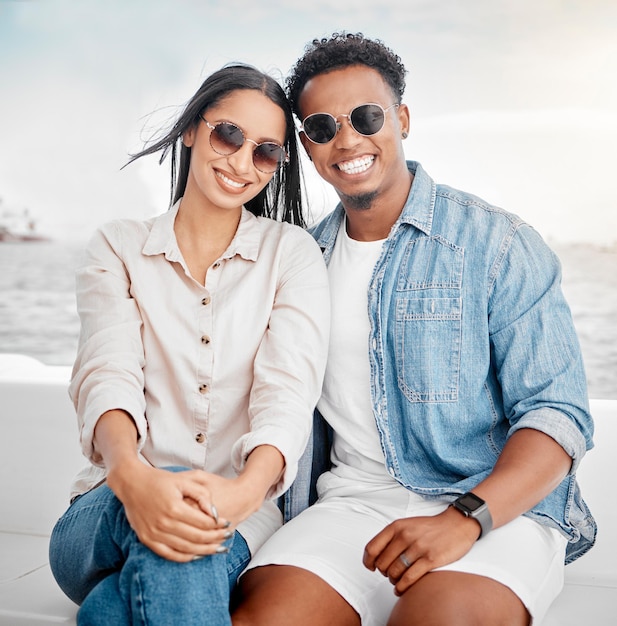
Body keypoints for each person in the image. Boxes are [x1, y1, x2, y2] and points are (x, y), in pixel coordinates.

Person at [232, 33, 596, 626]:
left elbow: (557, 414)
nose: (347, 139)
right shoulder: (301, 262)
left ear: (401, 118)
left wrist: (464, 519)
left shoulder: (498, 244)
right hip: (349, 506)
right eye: (323, 127)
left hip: (494, 509)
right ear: (307, 144)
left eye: (367, 116)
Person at [48, 63, 330, 626]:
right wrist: (132, 477)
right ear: (192, 130)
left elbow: (288, 395)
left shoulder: (290, 254)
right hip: (104, 513)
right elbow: (109, 372)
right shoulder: (118, 245)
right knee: (176, 492)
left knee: (110, 613)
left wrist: (241, 494)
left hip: (236, 519)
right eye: (229, 134)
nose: (241, 162)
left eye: (265, 152)